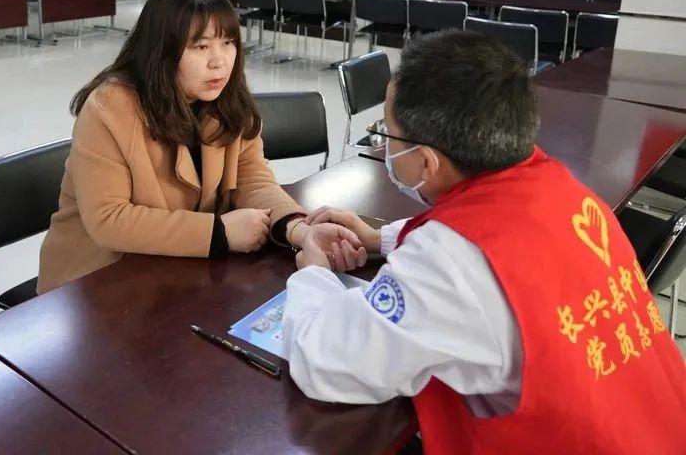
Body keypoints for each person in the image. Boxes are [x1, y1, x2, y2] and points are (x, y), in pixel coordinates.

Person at [282, 30, 686, 454]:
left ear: (427, 161)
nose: (386, 147)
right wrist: (378, 238)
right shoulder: (565, 192)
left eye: (390, 135)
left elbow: (325, 362)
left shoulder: (448, 263)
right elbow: (501, 241)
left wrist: (313, 274)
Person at [37, 0, 361, 293]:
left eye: (228, 42)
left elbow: (252, 179)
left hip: (176, 273)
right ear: (162, 51)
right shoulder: (110, 108)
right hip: (95, 283)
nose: (219, 61)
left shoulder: (226, 100)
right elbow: (109, 219)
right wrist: (218, 232)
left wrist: (298, 229)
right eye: (201, 46)